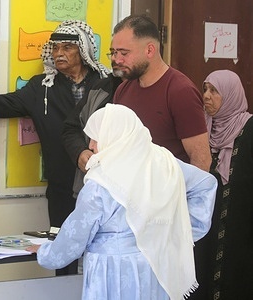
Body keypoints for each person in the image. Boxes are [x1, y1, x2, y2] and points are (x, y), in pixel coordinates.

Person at [0, 20, 110, 275]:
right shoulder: (43, 88)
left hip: (104, 184)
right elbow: (6, 104)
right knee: (62, 253)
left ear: (84, 50)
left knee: (103, 250)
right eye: (55, 48)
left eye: (67, 47)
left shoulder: (106, 84)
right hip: (62, 187)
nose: (58, 54)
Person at [27, 104, 217, 300]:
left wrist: (46, 253)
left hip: (113, 269)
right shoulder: (163, 163)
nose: (91, 146)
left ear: (113, 135)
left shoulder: (101, 183)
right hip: (156, 263)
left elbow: (75, 238)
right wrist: (179, 232)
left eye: (95, 138)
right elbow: (206, 184)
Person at [110, 15, 211, 171]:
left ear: (150, 50)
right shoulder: (122, 90)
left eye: (124, 53)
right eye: (114, 53)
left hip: (169, 192)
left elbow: (201, 160)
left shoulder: (180, 91)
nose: (117, 60)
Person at [191, 70, 253, 300]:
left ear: (231, 94)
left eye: (214, 91)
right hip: (206, 230)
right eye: (205, 89)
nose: (206, 95)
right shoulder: (201, 130)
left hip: (239, 230)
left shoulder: (249, 130)